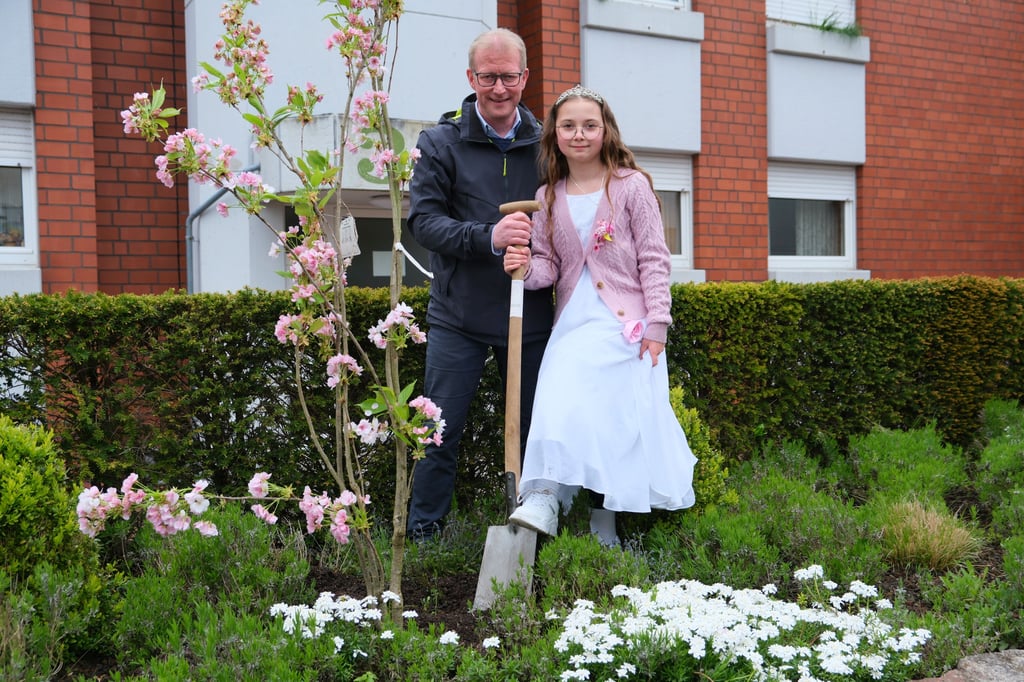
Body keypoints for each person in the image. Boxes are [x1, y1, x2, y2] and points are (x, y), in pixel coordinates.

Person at [502, 84, 697, 546]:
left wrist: (657, 325)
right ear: (555, 134)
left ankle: (605, 523)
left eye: (590, 125)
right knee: (556, 396)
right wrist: (524, 267)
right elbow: (549, 267)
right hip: (574, 322)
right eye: (569, 126)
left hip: (626, 325)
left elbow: (654, 257)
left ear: (605, 130)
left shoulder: (631, 187)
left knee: (618, 426)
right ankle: (545, 497)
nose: (580, 134)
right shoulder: (548, 195)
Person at [405, 29, 554, 541]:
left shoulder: (549, 143)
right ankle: (424, 534)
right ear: (471, 78)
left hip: (531, 315)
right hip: (459, 317)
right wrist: (487, 236)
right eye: (487, 77)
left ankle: (538, 526)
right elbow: (422, 224)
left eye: (508, 77)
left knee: (540, 432)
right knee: (438, 433)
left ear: (524, 78)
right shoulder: (439, 143)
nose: (498, 88)